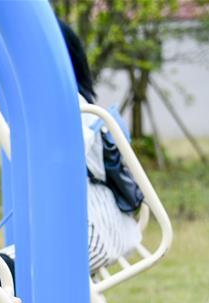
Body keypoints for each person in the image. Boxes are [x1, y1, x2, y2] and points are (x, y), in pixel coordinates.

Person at [59, 20, 142, 275]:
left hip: (92, 235)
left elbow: (59, 164)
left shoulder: (71, 106)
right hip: (94, 228)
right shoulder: (77, 104)